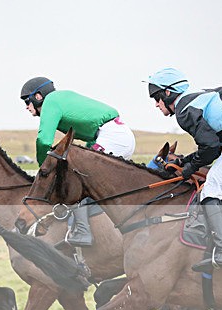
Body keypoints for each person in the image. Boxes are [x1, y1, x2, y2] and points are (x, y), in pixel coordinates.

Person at [21, 77, 136, 247]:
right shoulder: (60, 98)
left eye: (27, 101)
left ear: (38, 96)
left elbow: (43, 140)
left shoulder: (50, 102)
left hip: (113, 138)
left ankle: (82, 231)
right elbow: (89, 140)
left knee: (74, 178)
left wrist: (43, 168)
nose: (26, 107)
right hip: (117, 135)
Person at [148, 68, 222, 271]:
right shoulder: (197, 98)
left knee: (212, 188)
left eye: (156, 98)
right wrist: (187, 162)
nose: (156, 104)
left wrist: (189, 168)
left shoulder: (184, 110)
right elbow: (213, 146)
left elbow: (211, 148)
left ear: (168, 93)